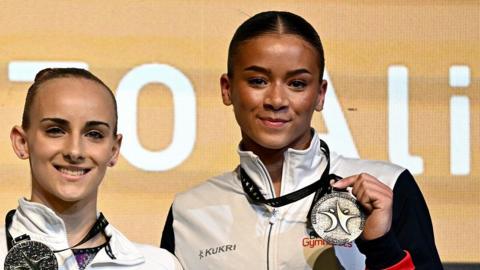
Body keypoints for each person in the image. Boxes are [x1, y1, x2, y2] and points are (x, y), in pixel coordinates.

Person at [161, 11, 442, 270]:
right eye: (258, 81)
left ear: (320, 95)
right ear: (227, 89)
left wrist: (382, 248)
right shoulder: (190, 211)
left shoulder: (388, 188)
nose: (276, 100)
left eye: (296, 83)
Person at [1, 68, 182, 270]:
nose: (75, 151)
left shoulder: (158, 265)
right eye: (55, 130)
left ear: (114, 150)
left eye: (94, 134)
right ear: (22, 142)